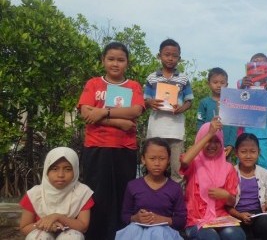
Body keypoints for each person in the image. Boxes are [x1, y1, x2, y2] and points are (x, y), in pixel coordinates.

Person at [77, 41, 145, 240]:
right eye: (111, 59)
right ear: (103, 61)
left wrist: (104, 112)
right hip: (96, 147)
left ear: (127, 63)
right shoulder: (93, 84)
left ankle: (121, 236)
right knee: (97, 196)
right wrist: (119, 122)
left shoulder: (133, 86)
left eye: (120, 60)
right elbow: (86, 113)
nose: (115, 64)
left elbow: (135, 110)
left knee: (123, 196)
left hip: (124, 148)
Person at [180, 119, 246, 240]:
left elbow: (231, 202)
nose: (212, 145)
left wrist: (226, 195)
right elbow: (184, 161)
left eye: (217, 141)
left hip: (221, 218)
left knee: (236, 235)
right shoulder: (194, 164)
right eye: (208, 141)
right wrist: (209, 133)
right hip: (196, 220)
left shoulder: (228, 168)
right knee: (211, 237)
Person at [116, 138, 187, 240]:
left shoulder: (174, 188)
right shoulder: (133, 186)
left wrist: (162, 220)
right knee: (133, 230)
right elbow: (125, 215)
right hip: (136, 231)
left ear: (168, 160)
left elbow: (181, 220)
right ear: (143, 159)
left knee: (157, 231)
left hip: (163, 233)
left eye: (162, 158)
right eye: (152, 158)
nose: (157, 163)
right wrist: (136, 218)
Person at [144, 38, 194, 184]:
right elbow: (145, 100)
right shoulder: (152, 78)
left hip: (176, 131)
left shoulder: (183, 79)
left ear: (179, 58)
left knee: (176, 170)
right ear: (159, 56)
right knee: (153, 168)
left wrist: (181, 109)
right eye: (167, 54)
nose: (170, 58)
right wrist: (150, 102)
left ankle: (176, 204)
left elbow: (189, 101)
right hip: (156, 129)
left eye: (174, 55)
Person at [19, 147, 94, 240]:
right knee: (38, 236)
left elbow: (83, 226)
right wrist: (45, 225)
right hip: (42, 233)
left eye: (67, 169)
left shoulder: (82, 193)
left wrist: (58, 217)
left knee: (73, 236)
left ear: (75, 171)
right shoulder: (34, 194)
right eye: (54, 169)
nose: (60, 175)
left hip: (69, 234)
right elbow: (24, 227)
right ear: (47, 170)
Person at [227, 133, 267, 240]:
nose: (248, 156)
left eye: (253, 152)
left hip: (258, 215)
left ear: (259, 152)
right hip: (236, 216)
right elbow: (226, 205)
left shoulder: (265, 174)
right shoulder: (230, 173)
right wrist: (239, 215)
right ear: (236, 153)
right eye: (243, 152)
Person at [237, 53, 267, 170]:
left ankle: (263, 188)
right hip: (245, 130)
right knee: (243, 164)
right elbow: (235, 104)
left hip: (264, 131)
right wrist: (243, 86)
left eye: (262, 63)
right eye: (255, 62)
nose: (258, 65)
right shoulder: (241, 82)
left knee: (264, 165)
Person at [197, 67, 237, 157]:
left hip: (225, 146)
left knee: (224, 169)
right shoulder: (204, 103)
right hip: (207, 144)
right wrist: (201, 142)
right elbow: (200, 124)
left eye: (222, 83)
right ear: (209, 84)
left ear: (227, 84)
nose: (219, 85)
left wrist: (231, 144)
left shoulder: (231, 103)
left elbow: (234, 126)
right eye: (215, 82)